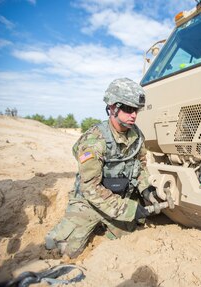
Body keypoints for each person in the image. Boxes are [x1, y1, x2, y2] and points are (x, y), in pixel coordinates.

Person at [45, 78, 155, 258]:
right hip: (90, 201)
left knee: (129, 238)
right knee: (60, 249)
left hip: (119, 197)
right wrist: (128, 210)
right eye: (128, 109)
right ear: (112, 107)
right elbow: (90, 188)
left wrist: (146, 190)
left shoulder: (137, 135)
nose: (133, 115)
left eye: (136, 110)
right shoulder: (94, 141)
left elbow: (141, 167)